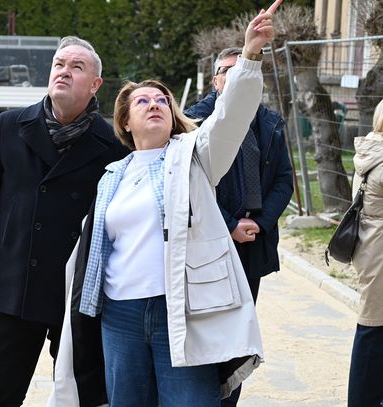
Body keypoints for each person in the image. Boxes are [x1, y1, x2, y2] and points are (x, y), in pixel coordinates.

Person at [49, 2, 282, 406]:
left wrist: (249, 55)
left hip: (180, 312)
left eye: (161, 100)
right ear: (125, 121)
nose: (154, 104)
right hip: (119, 315)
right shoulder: (112, 175)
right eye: (142, 102)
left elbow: (231, 116)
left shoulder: (195, 157)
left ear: (173, 116)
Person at [0, 36, 129, 406]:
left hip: (77, 292)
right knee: (0, 395)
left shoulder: (113, 143)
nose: (64, 72)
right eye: (59, 65)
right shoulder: (9, 126)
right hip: (15, 283)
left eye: (76, 67)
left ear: (95, 84)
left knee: (80, 397)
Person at [185, 46, 293, 406]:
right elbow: (190, 183)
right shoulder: (193, 121)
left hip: (251, 245)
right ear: (215, 80)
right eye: (226, 70)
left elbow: (284, 179)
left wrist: (258, 224)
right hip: (209, 244)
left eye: (242, 69)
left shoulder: (270, 122)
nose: (234, 76)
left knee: (239, 338)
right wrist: (230, 223)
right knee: (206, 333)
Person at [348, 98, 383, 407]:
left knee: (373, 325)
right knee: (373, 327)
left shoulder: (371, 149)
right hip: (379, 253)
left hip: (370, 246)